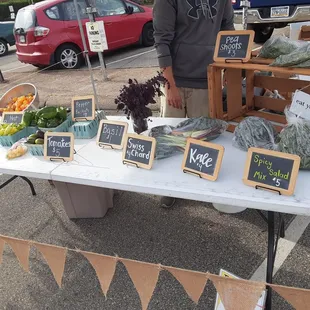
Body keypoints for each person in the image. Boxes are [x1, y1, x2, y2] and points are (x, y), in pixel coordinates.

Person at [153, 0, 234, 208]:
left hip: (208, 78)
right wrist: (170, 84)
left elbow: (228, 29)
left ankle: (200, 184)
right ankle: (169, 187)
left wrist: (228, 67)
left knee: (204, 138)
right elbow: (162, 39)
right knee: (172, 139)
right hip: (177, 80)